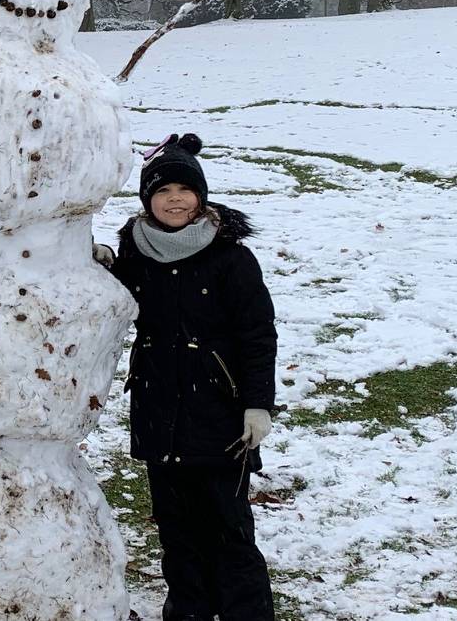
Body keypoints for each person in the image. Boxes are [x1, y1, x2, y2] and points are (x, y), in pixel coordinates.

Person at [104, 132, 279, 620]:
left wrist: (258, 403)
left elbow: (257, 334)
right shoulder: (136, 254)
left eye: (184, 190)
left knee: (228, 528)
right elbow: (113, 303)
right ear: (147, 200)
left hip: (221, 417)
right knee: (177, 531)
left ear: (200, 197)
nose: (174, 199)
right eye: (162, 191)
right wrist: (95, 269)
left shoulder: (231, 258)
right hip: (160, 413)